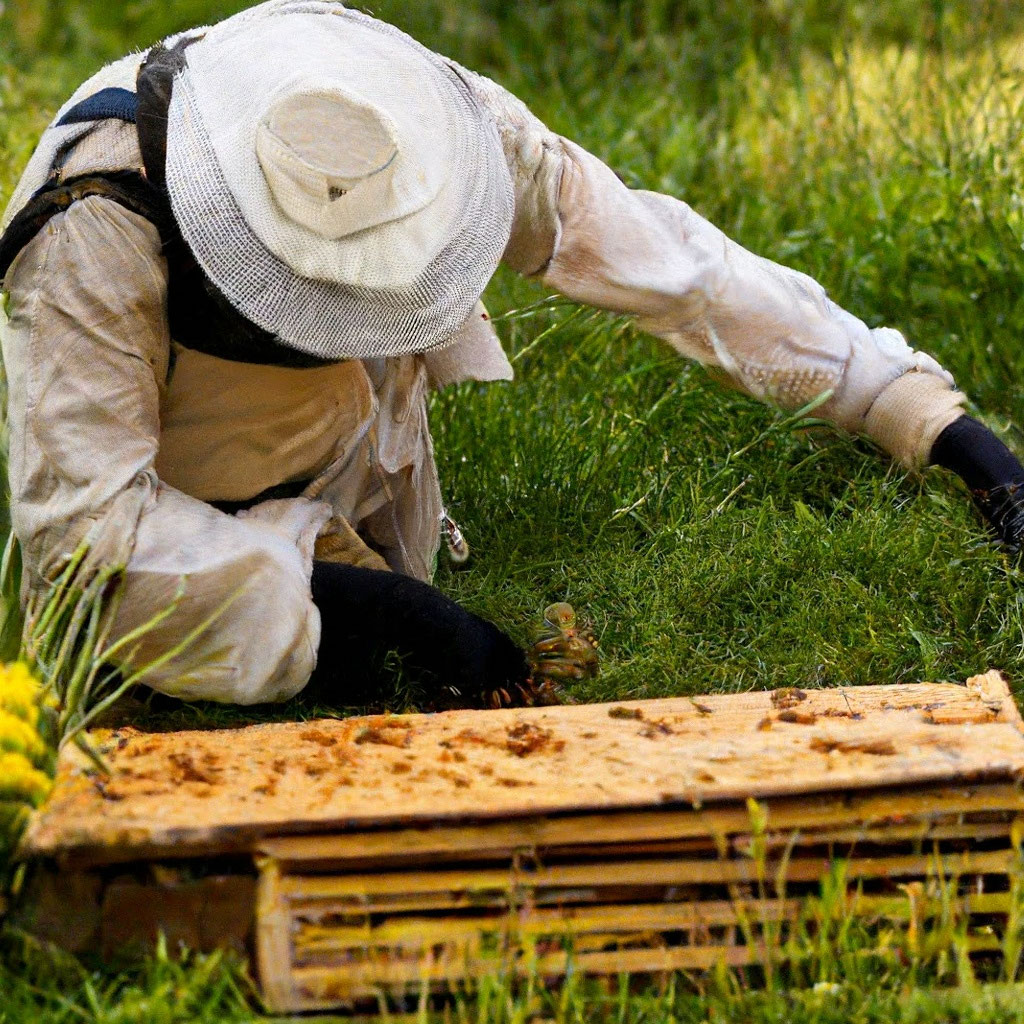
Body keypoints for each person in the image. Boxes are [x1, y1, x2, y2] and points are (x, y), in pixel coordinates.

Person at [1, 0, 1020, 707]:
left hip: (347, 458)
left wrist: (925, 418)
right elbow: (80, 546)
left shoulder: (423, 124)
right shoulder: (91, 224)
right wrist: (381, 611)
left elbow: (668, 263)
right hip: (183, 493)